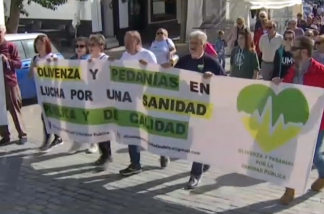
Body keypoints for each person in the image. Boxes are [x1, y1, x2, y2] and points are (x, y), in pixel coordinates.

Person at [272, 36, 324, 205]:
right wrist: (278, 83)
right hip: (296, 118)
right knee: (294, 153)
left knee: (312, 154)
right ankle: (290, 189)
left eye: (294, 48)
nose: (291, 51)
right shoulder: (293, 70)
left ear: (303, 52)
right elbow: (286, 85)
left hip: (317, 120)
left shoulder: (320, 70)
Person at [170, 30, 226, 189]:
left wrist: (213, 79)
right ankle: (205, 160)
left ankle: (195, 175)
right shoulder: (184, 60)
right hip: (186, 108)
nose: (192, 46)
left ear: (203, 45)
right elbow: (169, 76)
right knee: (190, 140)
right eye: (191, 43)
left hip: (204, 109)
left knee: (198, 141)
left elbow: (226, 82)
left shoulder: (211, 62)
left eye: (196, 43)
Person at [116, 31, 170, 176]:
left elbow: (158, 76)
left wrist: (148, 68)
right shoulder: (125, 56)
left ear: (137, 42)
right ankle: (135, 164)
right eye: (125, 42)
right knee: (131, 132)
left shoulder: (148, 55)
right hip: (130, 100)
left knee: (151, 131)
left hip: (146, 101)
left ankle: (163, 151)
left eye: (129, 43)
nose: (126, 45)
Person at [28, 35, 63, 151]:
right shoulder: (35, 59)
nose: (39, 46)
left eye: (41, 44)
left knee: (47, 117)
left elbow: (60, 75)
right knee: (46, 116)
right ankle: (56, 137)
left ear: (46, 44)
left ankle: (49, 140)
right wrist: (33, 67)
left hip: (52, 93)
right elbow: (30, 76)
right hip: (42, 94)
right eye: (37, 44)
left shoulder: (52, 57)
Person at [0, 24, 27, 145]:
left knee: (14, 108)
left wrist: (7, 60)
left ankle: (22, 134)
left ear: (4, 32)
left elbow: (19, 64)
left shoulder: (11, 46)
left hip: (10, 82)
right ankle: (5, 136)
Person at [68, 37, 99, 154]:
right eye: (77, 46)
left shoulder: (90, 59)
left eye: (81, 46)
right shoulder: (72, 59)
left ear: (86, 48)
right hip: (75, 94)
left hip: (88, 93)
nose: (78, 48)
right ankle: (77, 141)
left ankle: (93, 143)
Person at [86, 34, 112, 170]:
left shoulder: (107, 60)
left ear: (101, 46)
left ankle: (107, 155)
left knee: (103, 129)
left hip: (104, 99)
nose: (90, 48)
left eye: (93, 45)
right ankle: (103, 154)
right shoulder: (89, 60)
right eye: (89, 45)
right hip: (93, 98)